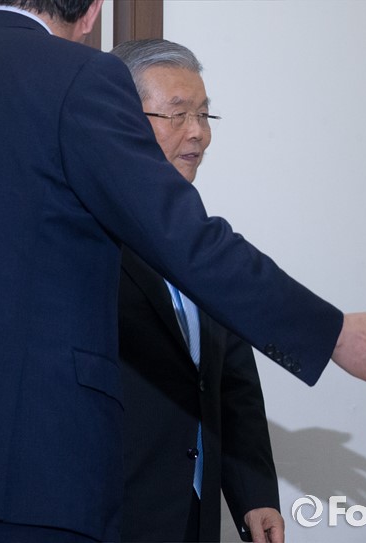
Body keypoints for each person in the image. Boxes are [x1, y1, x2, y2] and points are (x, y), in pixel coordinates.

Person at [0, 1, 366, 541]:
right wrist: (331, 332)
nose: (195, 132)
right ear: (92, 12)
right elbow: (184, 236)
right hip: (21, 488)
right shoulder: (81, 77)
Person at [111, 39, 283, 543]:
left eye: (205, 114)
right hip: (113, 510)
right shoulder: (87, 238)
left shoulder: (203, 241)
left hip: (194, 512)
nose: (198, 133)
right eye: (178, 113)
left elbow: (230, 380)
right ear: (121, 121)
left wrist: (254, 494)